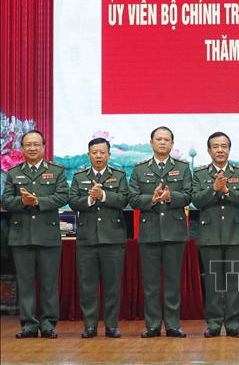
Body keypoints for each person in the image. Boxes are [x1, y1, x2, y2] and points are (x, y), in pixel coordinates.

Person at [2, 130, 69, 339]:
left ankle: (48, 324)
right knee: (26, 283)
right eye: (28, 145)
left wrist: (38, 201)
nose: (32, 148)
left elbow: (63, 197)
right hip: (21, 236)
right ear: (22, 148)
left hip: (48, 235)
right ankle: (29, 325)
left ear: (43, 147)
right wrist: (22, 201)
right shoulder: (14, 173)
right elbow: (6, 200)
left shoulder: (56, 171)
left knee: (49, 283)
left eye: (36, 144)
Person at [129, 126, 192, 338]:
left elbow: (189, 195)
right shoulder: (139, 169)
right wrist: (153, 199)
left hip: (174, 232)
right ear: (151, 143)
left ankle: (173, 325)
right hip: (149, 232)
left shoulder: (182, 168)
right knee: (151, 284)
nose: (163, 142)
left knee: (173, 282)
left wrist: (170, 196)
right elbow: (132, 199)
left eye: (166, 139)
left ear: (172, 144)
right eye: (159, 139)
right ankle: (153, 325)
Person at [192, 132, 239, 338]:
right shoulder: (200, 174)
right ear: (209, 151)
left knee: (234, 282)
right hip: (210, 235)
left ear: (229, 149)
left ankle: (234, 324)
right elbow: (196, 201)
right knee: (213, 283)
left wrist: (226, 191)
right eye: (215, 146)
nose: (220, 150)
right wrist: (213, 189)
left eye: (224, 146)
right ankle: (214, 324)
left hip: (235, 235)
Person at [69, 137, 129, 338]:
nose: (98, 156)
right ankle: (90, 326)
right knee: (88, 286)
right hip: (87, 239)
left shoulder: (119, 176)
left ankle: (111, 325)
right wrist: (90, 198)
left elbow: (124, 199)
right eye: (94, 152)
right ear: (88, 155)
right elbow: (72, 201)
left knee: (113, 285)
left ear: (109, 155)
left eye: (102, 152)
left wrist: (103, 196)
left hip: (113, 239)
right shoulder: (79, 177)